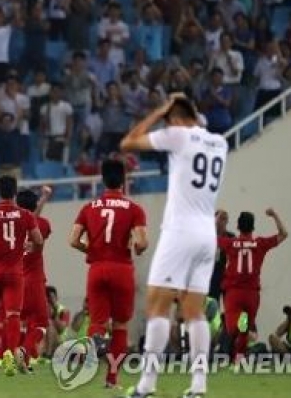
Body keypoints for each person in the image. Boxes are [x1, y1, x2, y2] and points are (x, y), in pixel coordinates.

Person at [120, 93, 229, 398]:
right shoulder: (220, 143)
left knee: (157, 306)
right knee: (195, 312)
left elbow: (129, 142)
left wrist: (160, 111)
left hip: (180, 231)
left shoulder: (178, 135)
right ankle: (198, 386)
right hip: (207, 234)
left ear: (176, 119)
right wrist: (183, 109)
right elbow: (197, 124)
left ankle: (146, 385)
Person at [70, 159, 149, 389]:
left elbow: (73, 240)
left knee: (97, 321)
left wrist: (92, 249)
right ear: (123, 180)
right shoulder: (134, 209)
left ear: (103, 180)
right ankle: (112, 380)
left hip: (97, 268)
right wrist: (137, 247)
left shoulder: (89, 207)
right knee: (121, 326)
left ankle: (95, 340)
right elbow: (142, 242)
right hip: (122, 268)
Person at [0, 175, 43, 376]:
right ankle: (9, 356)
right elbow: (38, 239)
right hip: (14, 273)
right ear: (15, 192)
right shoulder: (26, 215)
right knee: (13, 315)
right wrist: (31, 246)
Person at [219, 209, 288, 362]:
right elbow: (283, 234)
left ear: (238, 226)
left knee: (232, 329)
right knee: (244, 330)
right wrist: (275, 215)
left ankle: (238, 356)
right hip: (252, 294)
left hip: (234, 292)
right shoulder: (260, 243)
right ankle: (239, 358)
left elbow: (209, 238)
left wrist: (217, 221)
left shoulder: (231, 243)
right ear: (253, 227)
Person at [17, 186, 53, 369]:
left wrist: (44, 198)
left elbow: (28, 217)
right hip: (34, 280)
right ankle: (25, 352)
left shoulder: (10, 226)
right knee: (41, 323)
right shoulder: (43, 224)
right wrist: (45, 196)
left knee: (20, 322)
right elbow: (35, 222)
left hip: (14, 282)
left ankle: (17, 358)